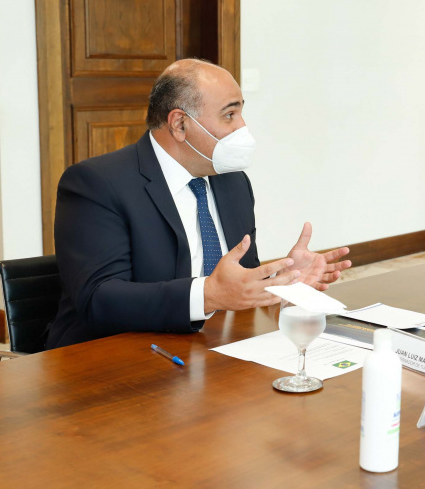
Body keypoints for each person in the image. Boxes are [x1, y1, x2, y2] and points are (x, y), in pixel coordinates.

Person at [46, 59, 351, 348]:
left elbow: (237, 278)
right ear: (179, 124)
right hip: (112, 357)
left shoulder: (232, 182)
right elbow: (99, 300)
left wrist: (284, 280)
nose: (242, 127)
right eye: (229, 115)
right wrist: (207, 295)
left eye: (241, 113)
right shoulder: (96, 183)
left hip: (211, 348)